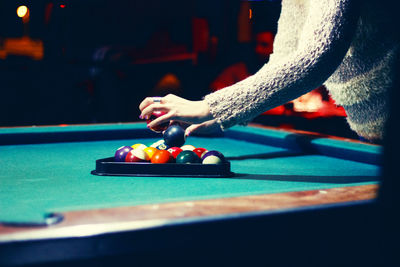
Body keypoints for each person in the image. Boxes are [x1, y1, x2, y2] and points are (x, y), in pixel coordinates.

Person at [139, 0, 400, 144]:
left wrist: (210, 108)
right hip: (376, 135)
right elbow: (283, 62)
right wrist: (225, 117)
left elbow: (316, 57)